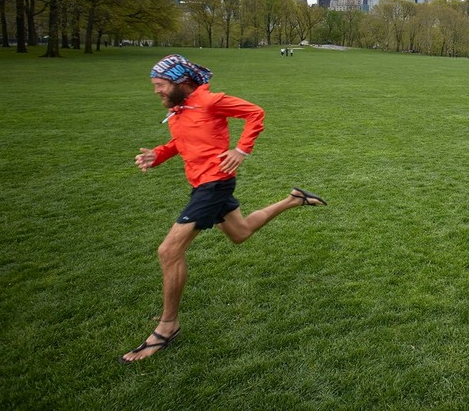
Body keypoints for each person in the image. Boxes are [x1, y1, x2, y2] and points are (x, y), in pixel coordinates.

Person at [121, 54, 326, 363]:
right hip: (203, 185)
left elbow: (255, 112)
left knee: (169, 251)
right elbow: (181, 142)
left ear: (181, 82)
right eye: (155, 86)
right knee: (240, 233)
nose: (157, 91)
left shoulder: (210, 101)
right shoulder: (179, 112)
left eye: (161, 85)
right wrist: (157, 155)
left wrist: (242, 150)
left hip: (213, 185)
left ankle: (168, 326)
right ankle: (294, 199)